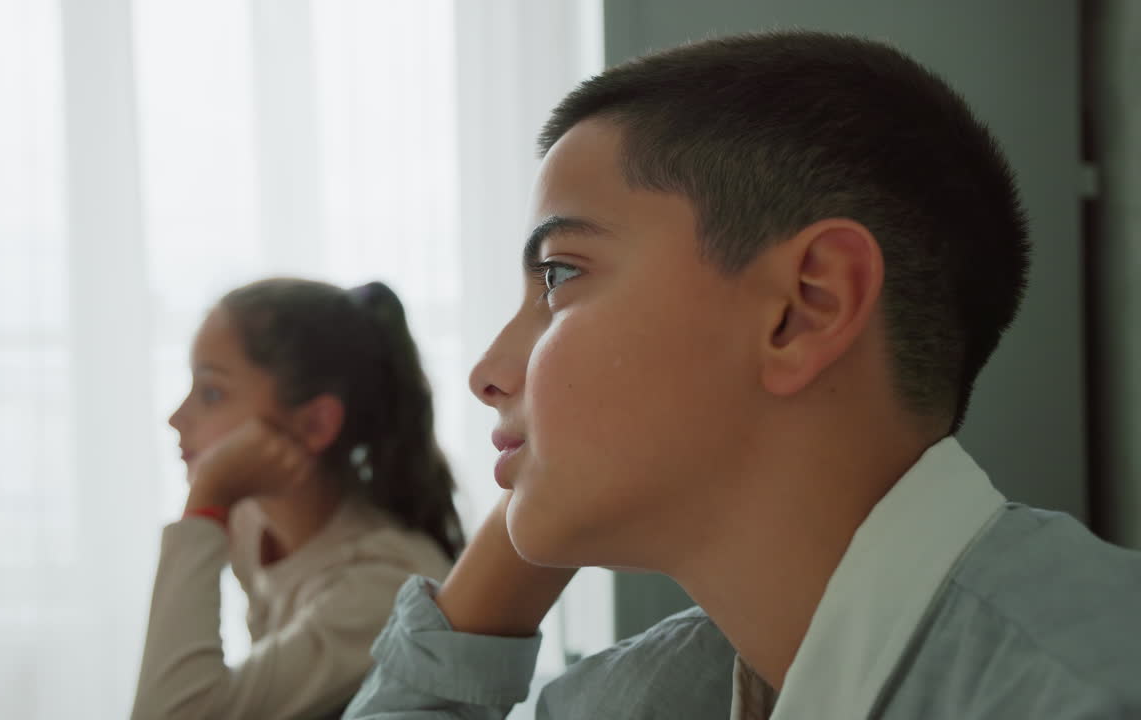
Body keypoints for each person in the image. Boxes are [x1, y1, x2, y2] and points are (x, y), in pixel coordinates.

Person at [342, 30, 1141, 719]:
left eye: (559, 276)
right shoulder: (638, 697)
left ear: (805, 306)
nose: (486, 372)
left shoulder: (1091, 689)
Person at [132, 278, 463, 720]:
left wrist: (205, 504)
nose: (175, 418)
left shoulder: (383, 587)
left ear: (315, 424)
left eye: (211, 393)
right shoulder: (252, 523)